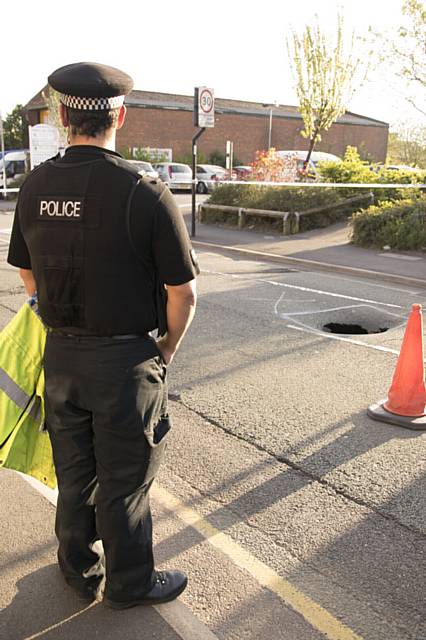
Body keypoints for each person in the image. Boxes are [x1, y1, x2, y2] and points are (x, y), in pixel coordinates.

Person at [7, 62, 198, 609]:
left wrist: (53, 313)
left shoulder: (35, 185)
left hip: (61, 356)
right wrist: (164, 349)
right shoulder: (146, 192)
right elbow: (182, 294)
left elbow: (26, 274)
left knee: (73, 471)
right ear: (121, 115)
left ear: (64, 116)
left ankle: (78, 570)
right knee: (125, 479)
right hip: (125, 363)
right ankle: (130, 583)